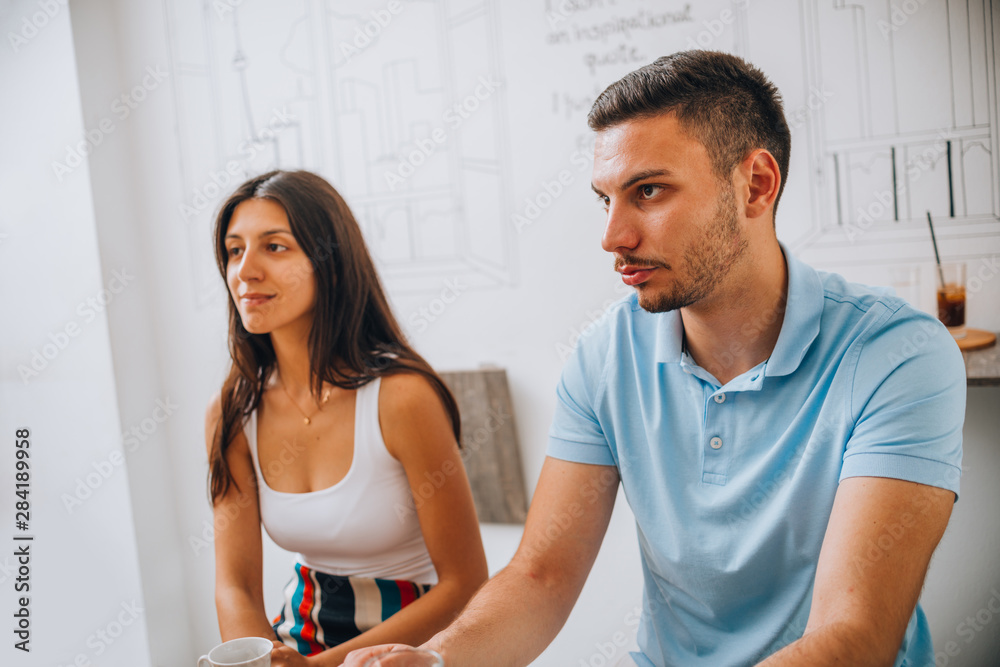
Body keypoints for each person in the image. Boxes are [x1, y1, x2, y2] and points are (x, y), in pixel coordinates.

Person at [344, 51, 966, 667]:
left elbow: (854, 636)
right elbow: (541, 578)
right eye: (605, 199)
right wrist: (437, 660)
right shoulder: (603, 357)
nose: (614, 236)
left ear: (755, 185)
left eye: (648, 191)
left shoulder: (898, 354)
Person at [205, 170, 488, 666]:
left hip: (413, 643)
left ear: (330, 266)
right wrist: (265, 660)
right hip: (300, 631)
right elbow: (236, 585)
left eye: (275, 247)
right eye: (234, 250)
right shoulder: (233, 412)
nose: (245, 271)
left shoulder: (402, 399)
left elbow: (465, 584)